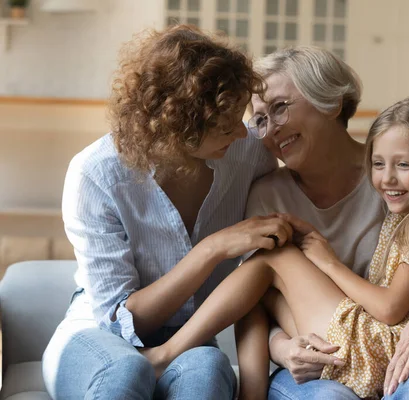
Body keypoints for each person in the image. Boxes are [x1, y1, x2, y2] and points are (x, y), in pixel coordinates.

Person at [140, 95, 409, 399]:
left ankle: (172, 356)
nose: (386, 179)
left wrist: (328, 262)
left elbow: (390, 308)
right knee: (266, 278)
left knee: (270, 261)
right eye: (379, 164)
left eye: (403, 165)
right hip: (372, 344)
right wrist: (284, 346)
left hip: (379, 347)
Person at [41, 25, 294, 399]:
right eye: (225, 127)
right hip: (95, 335)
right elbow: (121, 324)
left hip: (188, 340)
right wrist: (211, 249)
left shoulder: (248, 155)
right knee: (125, 371)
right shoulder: (95, 174)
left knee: (206, 371)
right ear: (179, 125)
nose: (241, 135)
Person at [247, 46, 409, 399]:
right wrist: (283, 349)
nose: (269, 132)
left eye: (280, 108)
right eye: (261, 118)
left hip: (406, 361)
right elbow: (254, 297)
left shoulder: (398, 181)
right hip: (322, 365)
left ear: (331, 103)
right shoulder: (267, 196)